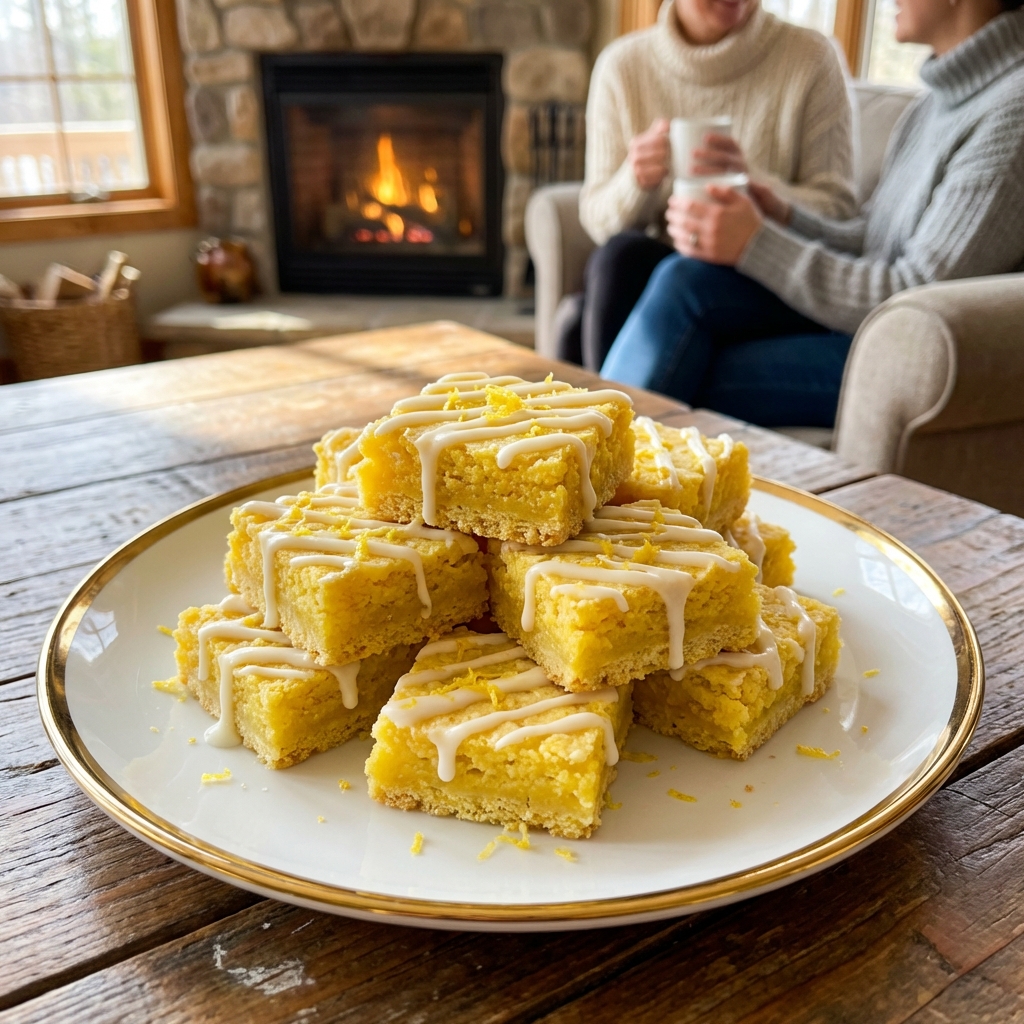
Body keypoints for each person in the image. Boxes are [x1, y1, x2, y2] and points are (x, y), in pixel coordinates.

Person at [601, 0, 1024, 428]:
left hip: (909, 355)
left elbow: (914, 301)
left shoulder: (1013, 112)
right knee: (685, 278)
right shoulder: (936, 102)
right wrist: (781, 214)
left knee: (688, 363)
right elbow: (872, 239)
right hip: (870, 325)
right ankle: (584, 450)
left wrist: (756, 243)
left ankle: (588, 459)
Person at [563, 0, 857, 370]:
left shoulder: (812, 58)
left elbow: (840, 214)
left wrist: (754, 186)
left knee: (581, 324)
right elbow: (598, 221)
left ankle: (609, 416)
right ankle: (610, 420)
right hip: (665, 266)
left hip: (766, 273)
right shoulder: (622, 67)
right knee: (618, 261)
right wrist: (635, 181)